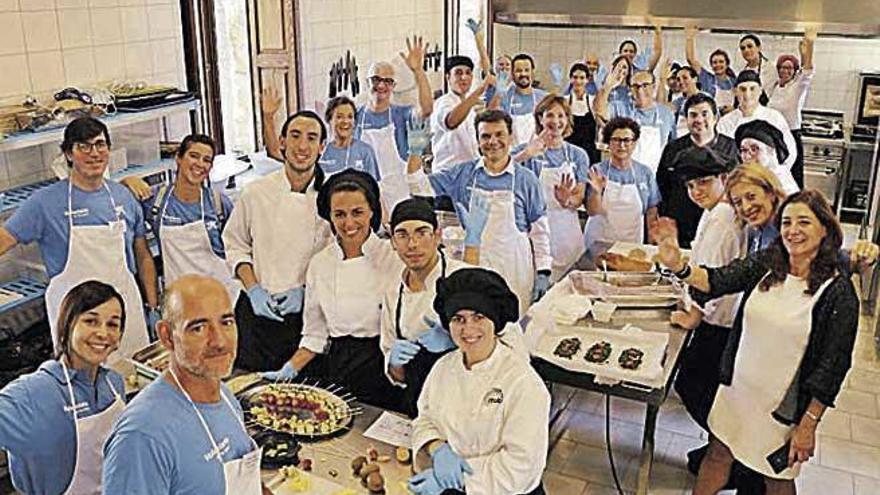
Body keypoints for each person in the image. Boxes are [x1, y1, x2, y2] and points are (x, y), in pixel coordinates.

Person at [656, 190, 859, 495]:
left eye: (804, 222)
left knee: (776, 478)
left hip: (782, 407)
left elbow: (834, 366)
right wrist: (679, 267)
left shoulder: (838, 293)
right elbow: (717, 280)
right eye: (787, 222)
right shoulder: (768, 263)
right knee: (717, 455)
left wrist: (808, 425)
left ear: (825, 229)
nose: (793, 230)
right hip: (736, 391)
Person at [0, 117, 154, 358]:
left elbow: (142, 255)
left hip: (123, 311)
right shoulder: (44, 203)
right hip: (76, 317)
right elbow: (4, 239)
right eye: (84, 146)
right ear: (68, 154)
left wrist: (153, 306)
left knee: (133, 378)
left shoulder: (124, 196)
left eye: (100, 144)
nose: (94, 153)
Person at [103, 275, 266, 494]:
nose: (219, 341)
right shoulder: (142, 437)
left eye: (226, 322)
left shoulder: (227, 398)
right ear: (167, 336)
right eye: (198, 328)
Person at [266, 170, 405, 411]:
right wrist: (289, 369)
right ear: (329, 217)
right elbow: (315, 334)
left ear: (372, 211)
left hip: (385, 367)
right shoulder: (320, 263)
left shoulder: (393, 257)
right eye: (339, 214)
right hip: (339, 367)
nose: (349, 224)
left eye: (357, 213)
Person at [407, 268, 550, 495]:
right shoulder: (443, 368)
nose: (468, 329)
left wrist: (459, 477)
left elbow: (522, 467)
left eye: (478, 317)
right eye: (458, 319)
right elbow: (424, 419)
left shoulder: (523, 383)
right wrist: (438, 448)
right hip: (450, 484)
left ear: (496, 321)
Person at [406, 110, 552, 315]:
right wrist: (414, 153)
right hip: (474, 262)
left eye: (499, 134)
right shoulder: (462, 174)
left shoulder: (526, 180)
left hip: (515, 268)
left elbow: (539, 231)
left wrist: (543, 271)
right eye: (485, 136)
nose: (493, 141)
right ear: (477, 141)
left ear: (510, 137)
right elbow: (418, 187)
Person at [222, 110, 333, 372]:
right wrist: (253, 290)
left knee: (305, 403)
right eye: (295, 136)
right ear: (282, 142)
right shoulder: (256, 192)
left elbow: (338, 258)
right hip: (256, 316)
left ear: (322, 147)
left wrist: (305, 292)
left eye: (311, 138)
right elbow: (235, 245)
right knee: (250, 392)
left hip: (308, 318)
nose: (302, 146)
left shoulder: (332, 196)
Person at [0, 281, 125, 495]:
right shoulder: (31, 395)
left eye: (113, 324)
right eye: (91, 321)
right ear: (67, 326)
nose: (103, 333)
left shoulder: (114, 384)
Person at [666, 149, 746, 434]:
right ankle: (720, 450)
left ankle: (725, 451)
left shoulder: (723, 218)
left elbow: (712, 277)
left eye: (703, 182)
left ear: (723, 178)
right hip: (715, 316)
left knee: (692, 386)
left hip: (717, 322)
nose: (696, 191)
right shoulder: (714, 211)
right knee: (704, 390)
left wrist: (694, 316)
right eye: (690, 186)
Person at [379, 198, 476, 417]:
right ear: (393, 242)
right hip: (418, 402)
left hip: (464, 402)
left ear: (437, 236)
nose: (412, 244)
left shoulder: (464, 279)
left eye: (421, 232)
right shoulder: (393, 292)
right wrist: (394, 363)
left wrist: (456, 342)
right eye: (402, 235)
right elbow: (395, 370)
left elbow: (503, 344)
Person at [122, 134, 239, 304]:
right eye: (193, 156)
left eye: (207, 160)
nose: (200, 164)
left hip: (221, 299)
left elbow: (240, 248)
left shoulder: (219, 204)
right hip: (179, 303)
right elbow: (115, 198)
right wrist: (127, 181)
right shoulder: (156, 201)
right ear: (178, 158)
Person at [514, 94, 591, 280]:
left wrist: (567, 200)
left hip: (568, 235)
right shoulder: (525, 150)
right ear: (540, 118)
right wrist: (526, 154)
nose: (555, 121)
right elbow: (499, 170)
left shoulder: (578, 155)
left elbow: (579, 196)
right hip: (535, 236)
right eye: (550, 115)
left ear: (567, 120)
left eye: (561, 116)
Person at [355, 36, 433, 213]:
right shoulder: (355, 117)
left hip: (399, 198)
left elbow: (426, 108)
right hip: (365, 200)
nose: (381, 85)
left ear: (393, 86)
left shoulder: (401, 115)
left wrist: (418, 71)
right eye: (376, 79)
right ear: (367, 82)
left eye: (387, 81)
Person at [657, 93, 738, 247]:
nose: (699, 120)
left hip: (720, 225)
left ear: (716, 117)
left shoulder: (732, 148)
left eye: (704, 114)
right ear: (686, 119)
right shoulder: (673, 149)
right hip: (682, 227)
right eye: (693, 115)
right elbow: (663, 185)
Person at [584, 117, 661, 248]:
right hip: (599, 241)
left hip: (632, 242)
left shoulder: (645, 173)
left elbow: (651, 210)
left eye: (627, 140)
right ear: (608, 142)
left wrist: (651, 243)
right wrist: (596, 193)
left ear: (635, 143)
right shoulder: (597, 170)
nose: (622, 145)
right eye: (616, 140)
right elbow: (592, 211)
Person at [595, 69, 677, 173]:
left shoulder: (666, 114)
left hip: (652, 178)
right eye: (635, 86)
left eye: (645, 85)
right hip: (622, 175)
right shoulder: (620, 108)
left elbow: (672, 146)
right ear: (630, 89)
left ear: (653, 87)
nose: (640, 90)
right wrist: (607, 87)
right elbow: (600, 111)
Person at [717, 71, 798, 173]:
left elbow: (790, 152)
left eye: (752, 89)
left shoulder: (774, 117)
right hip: (738, 179)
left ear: (760, 90)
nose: (747, 94)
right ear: (735, 92)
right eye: (742, 89)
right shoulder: (726, 122)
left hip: (769, 178)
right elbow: (720, 156)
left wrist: (774, 176)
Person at [768, 28, 817, 189]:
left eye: (789, 68)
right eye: (782, 67)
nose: (785, 71)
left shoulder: (797, 87)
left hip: (791, 136)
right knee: (774, 178)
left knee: (793, 179)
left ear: (794, 71)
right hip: (773, 137)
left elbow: (807, 71)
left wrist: (809, 45)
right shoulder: (774, 87)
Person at [430, 55, 495, 172]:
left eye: (468, 73)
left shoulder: (469, 109)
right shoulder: (443, 102)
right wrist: (480, 89)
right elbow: (451, 122)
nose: (463, 77)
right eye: (458, 73)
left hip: (469, 172)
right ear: (448, 77)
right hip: (448, 173)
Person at [318, 95, 382, 180]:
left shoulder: (366, 152)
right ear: (329, 120)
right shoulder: (323, 153)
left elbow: (374, 187)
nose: (345, 121)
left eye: (350, 117)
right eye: (339, 117)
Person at [736, 120, 799, 195]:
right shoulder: (752, 177)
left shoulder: (783, 184)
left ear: (772, 151)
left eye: (754, 149)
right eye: (744, 150)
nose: (747, 156)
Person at [499, 53, 548, 146]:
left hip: (538, 152)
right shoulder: (505, 98)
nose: (523, 74)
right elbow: (492, 120)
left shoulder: (543, 97)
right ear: (512, 74)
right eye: (518, 70)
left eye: (527, 70)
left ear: (532, 73)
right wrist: (499, 92)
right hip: (512, 153)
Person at [685, 26, 737, 113]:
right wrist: (689, 38)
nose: (718, 65)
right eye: (715, 62)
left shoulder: (735, 82)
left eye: (721, 62)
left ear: (727, 64)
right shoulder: (707, 78)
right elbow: (690, 59)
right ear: (711, 65)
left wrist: (733, 109)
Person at [565, 62, 600, 164]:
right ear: (571, 79)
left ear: (587, 80)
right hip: (569, 152)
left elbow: (602, 123)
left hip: (590, 153)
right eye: (575, 77)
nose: (578, 81)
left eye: (582, 78)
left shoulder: (593, 101)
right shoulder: (565, 101)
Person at [671, 66, 703, 137]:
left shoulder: (706, 99)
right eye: (678, 79)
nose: (681, 82)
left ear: (695, 79)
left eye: (685, 78)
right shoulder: (678, 101)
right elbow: (663, 109)